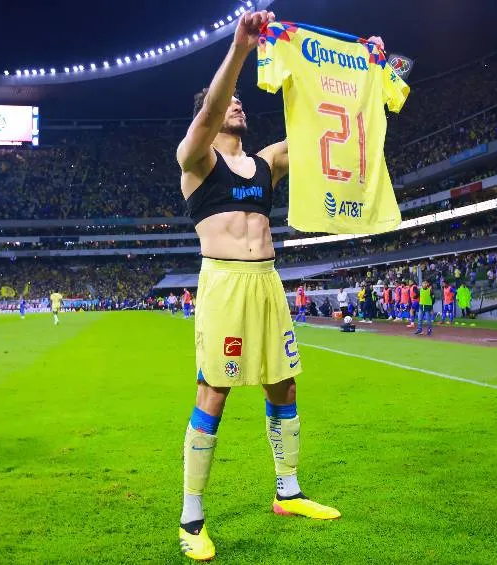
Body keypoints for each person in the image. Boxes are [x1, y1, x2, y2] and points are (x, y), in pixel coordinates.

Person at [175, 10, 351, 560]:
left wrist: (361, 69)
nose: (238, 104)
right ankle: (192, 517)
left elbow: (318, 126)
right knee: (214, 392)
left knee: (284, 387)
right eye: (230, 101)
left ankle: (288, 491)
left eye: (241, 101)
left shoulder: (266, 162)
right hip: (223, 284)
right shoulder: (196, 160)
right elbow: (209, 110)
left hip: (267, 282)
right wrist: (240, 49)